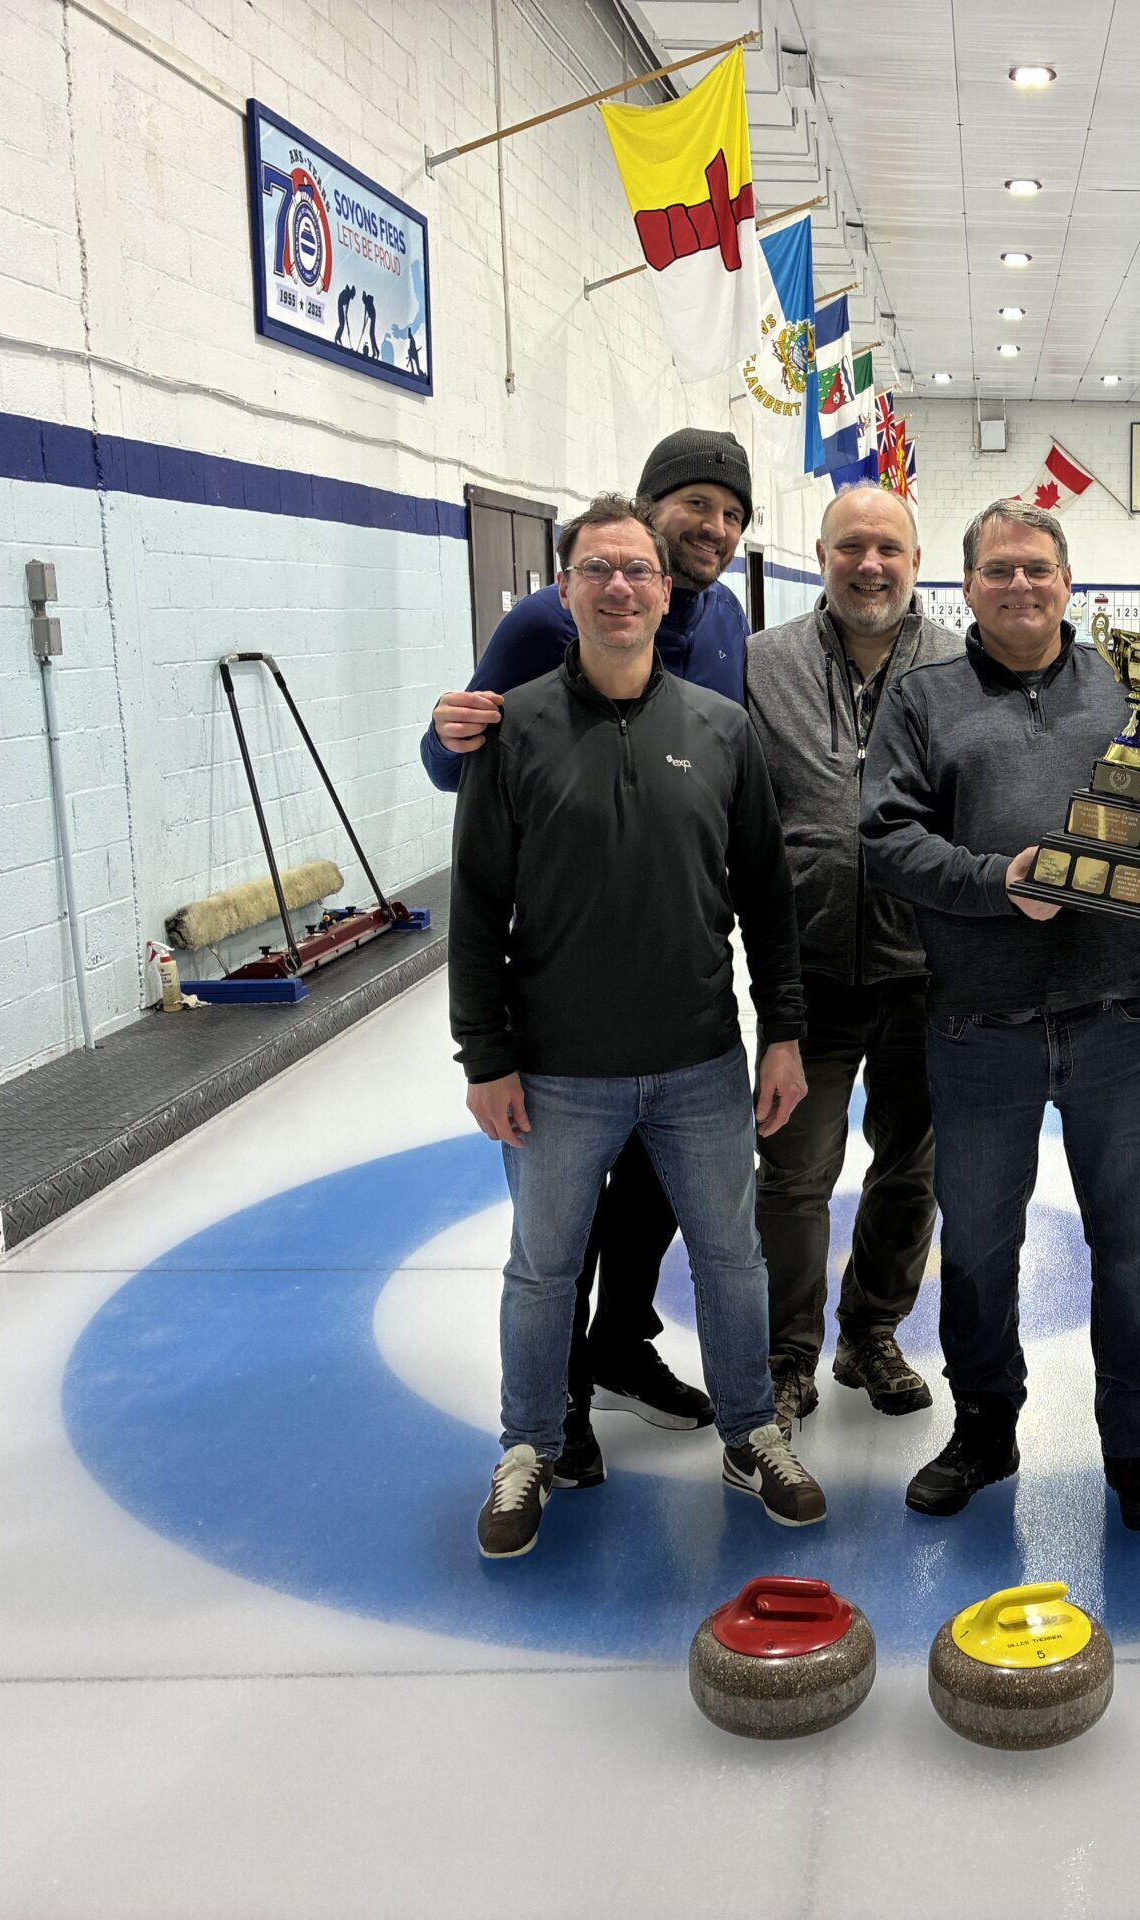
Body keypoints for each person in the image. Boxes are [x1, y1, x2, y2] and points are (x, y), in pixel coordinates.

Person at [449, 495, 819, 1556]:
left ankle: (751, 1432)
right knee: (543, 1269)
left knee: (732, 1263)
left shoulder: (721, 728)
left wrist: (780, 1032)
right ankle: (528, 1448)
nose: (619, 587)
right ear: (565, 593)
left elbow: (765, 896)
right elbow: (475, 907)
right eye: (597, 570)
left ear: (667, 593)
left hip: (700, 1062)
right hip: (558, 1071)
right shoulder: (510, 729)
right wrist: (487, 1054)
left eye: (638, 571)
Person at [861, 500, 1140, 1532]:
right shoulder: (923, 697)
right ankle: (984, 1429)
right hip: (979, 1023)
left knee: (1131, 1243)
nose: (1020, 587)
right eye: (998, 571)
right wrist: (990, 881)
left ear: (1068, 582)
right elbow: (884, 837)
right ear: (965, 586)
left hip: (1114, 1015)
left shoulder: (1126, 685)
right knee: (976, 1244)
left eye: (1037, 569)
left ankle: (1135, 1448)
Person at [420, 429, 756, 1484]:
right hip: (563, 993)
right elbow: (453, 766)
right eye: (692, 505)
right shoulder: (542, 619)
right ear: (649, 516)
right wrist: (445, 726)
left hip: (681, 998)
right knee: (559, 1228)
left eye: (729, 512)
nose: (711, 526)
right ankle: (556, 1407)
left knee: (659, 1191)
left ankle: (620, 1344)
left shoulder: (729, 622)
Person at [745, 485, 957, 1432]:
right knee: (793, 1172)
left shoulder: (964, 664)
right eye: (850, 548)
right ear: (820, 554)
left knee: (911, 1170)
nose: (870, 565)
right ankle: (786, 1353)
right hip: (808, 975)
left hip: (930, 971)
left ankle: (872, 1331)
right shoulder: (760, 664)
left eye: (889, 548)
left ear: (917, 561)